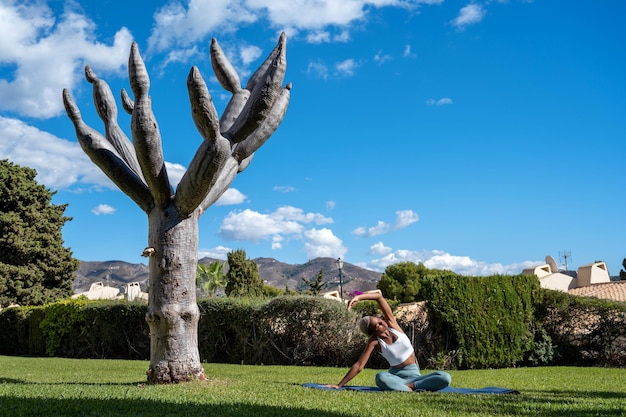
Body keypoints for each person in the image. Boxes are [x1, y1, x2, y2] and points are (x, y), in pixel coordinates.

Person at [328, 290, 451, 392]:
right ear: (374, 332)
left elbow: (378, 296)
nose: (382, 322)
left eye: (380, 320)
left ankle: (408, 388)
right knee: (380, 377)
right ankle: (407, 388)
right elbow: (359, 366)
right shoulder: (374, 342)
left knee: (445, 377)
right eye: (378, 324)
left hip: (415, 376)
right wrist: (340, 385)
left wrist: (358, 297)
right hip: (396, 377)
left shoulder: (393, 325)